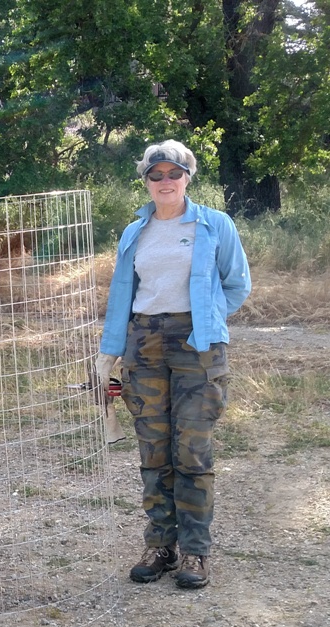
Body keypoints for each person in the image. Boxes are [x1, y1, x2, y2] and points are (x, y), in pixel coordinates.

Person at [97, 140, 251, 590]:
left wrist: (206, 318)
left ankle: (195, 553)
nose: (165, 182)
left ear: (188, 176)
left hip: (196, 346)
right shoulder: (134, 232)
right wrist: (113, 350)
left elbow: (237, 285)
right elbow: (122, 294)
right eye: (156, 174)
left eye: (173, 173)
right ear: (145, 180)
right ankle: (159, 546)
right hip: (142, 344)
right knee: (154, 450)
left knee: (193, 450)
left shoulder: (213, 224)